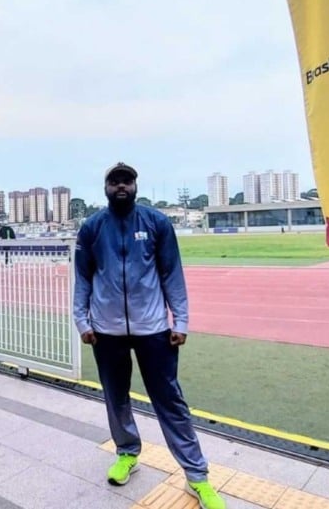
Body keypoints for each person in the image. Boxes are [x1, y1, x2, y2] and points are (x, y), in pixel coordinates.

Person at [73, 162, 225, 509]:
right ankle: (127, 452)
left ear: (136, 185)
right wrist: (83, 321)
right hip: (106, 330)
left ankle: (197, 477)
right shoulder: (92, 228)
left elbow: (172, 272)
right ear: (106, 188)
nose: (121, 187)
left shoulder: (156, 223)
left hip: (154, 328)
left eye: (127, 181)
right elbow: (82, 277)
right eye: (115, 182)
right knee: (116, 396)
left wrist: (180, 321)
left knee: (170, 401)